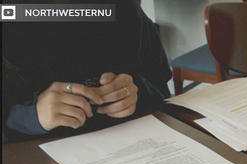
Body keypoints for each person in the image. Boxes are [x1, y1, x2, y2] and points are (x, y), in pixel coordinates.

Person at [2, 0, 171, 143]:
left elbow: (159, 82)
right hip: (32, 157)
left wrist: (134, 91)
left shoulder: (122, 9)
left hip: (127, 144)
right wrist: (31, 117)